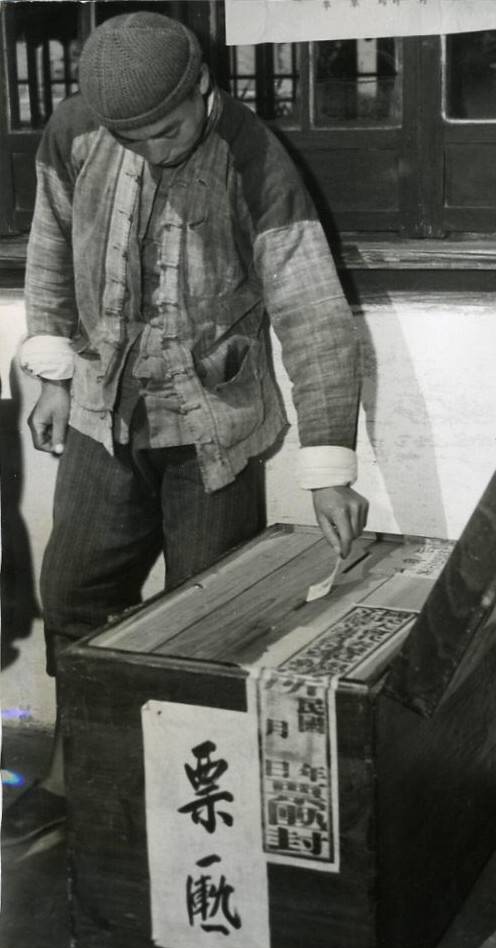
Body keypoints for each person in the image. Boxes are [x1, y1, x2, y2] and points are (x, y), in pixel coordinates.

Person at [4, 11, 368, 845]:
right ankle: (80, 770)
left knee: (206, 627)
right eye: (131, 136)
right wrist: (53, 367)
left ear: (204, 90)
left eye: (166, 130)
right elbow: (50, 240)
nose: (152, 149)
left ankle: (190, 806)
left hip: (216, 429)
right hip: (104, 414)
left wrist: (330, 469)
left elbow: (312, 311)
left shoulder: (254, 157)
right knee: (74, 596)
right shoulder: (75, 132)